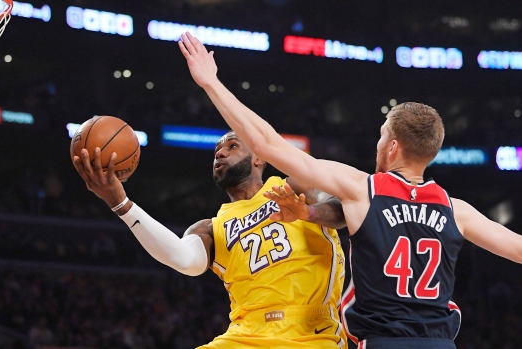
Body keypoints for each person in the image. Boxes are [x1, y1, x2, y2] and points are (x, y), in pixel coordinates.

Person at [177, 31, 522, 349]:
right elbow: (516, 248)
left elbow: (267, 144)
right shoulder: (455, 209)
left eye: (382, 134)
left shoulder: (363, 189)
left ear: (392, 148)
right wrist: (310, 213)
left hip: (383, 342)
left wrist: (211, 83)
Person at [72, 131, 348, 348]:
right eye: (217, 150)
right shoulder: (210, 228)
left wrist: (308, 212)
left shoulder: (292, 187)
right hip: (244, 336)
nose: (220, 152)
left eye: (232, 146)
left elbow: (344, 212)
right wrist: (119, 202)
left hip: (309, 332)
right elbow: (183, 259)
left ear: (259, 158)